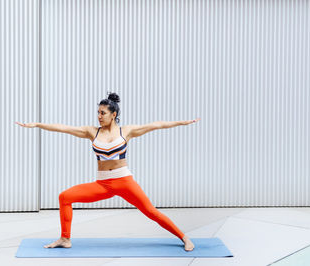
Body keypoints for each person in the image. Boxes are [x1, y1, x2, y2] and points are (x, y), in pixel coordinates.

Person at [15, 92, 200, 251]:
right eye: (98, 113)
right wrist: (38, 124)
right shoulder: (92, 132)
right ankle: (65, 239)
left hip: (125, 181)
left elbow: (157, 125)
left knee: (151, 212)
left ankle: (183, 237)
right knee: (65, 197)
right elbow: (64, 128)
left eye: (103, 113)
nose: (99, 116)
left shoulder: (126, 131)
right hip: (102, 184)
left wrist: (183, 122)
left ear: (114, 114)